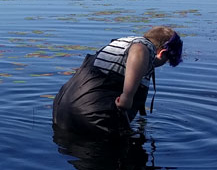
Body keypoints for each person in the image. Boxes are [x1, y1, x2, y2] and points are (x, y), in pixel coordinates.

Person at [52, 26, 184, 138]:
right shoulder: (144, 46)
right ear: (162, 52)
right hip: (92, 117)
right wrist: (128, 95)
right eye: (166, 61)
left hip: (61, 112)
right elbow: (139, 50)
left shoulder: (121, 43)